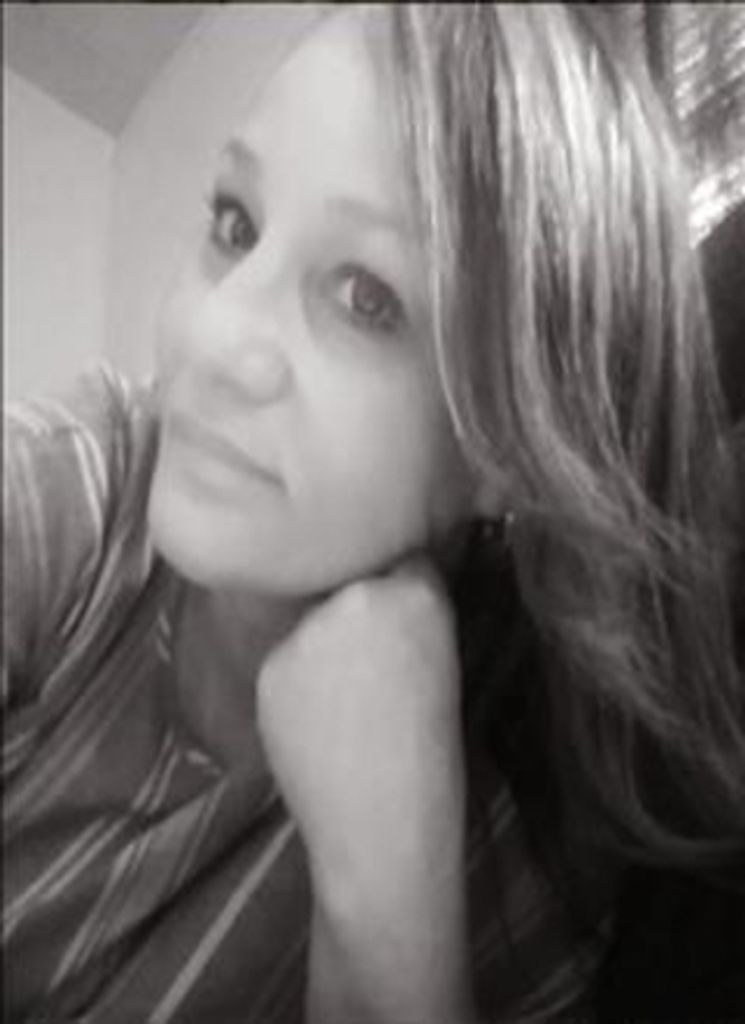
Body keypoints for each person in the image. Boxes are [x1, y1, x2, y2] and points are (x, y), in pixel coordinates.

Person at [4, 5, 744, 1022]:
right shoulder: (81, 480)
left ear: (511, 450)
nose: (210, 335)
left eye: (365, 296)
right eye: (235, 225)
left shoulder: (497, 900)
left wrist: (387, 918)